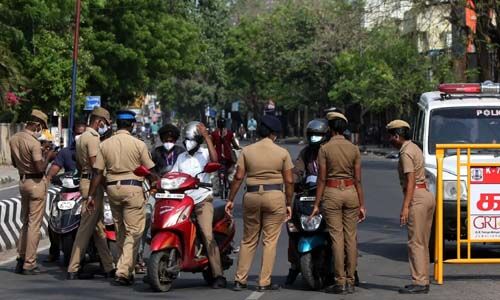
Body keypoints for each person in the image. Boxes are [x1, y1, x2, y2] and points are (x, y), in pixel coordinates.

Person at [87, 110, 156, 286]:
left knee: (120, 231)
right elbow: (150, 170)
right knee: (134, 231)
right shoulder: (138, 144)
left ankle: (126, 267)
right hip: (132, 188)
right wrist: (157, 182)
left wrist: (90, 196)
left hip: (112, 189)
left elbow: (97, 172)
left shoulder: (105, 144)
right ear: (132, 125)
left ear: (117, 124)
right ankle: (123, 272)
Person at [225, 115, 294, 292]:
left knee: (248, 239)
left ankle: (240, 279)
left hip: (252, 196)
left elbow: (238, 177)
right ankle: (264, 282)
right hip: (274, 195)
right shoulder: (282, 153)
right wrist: (288, 203)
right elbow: (289, 181)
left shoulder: (248, 151)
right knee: (270, 241)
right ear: (274, 134)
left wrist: (230, 200)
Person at [310, 112, 366, 294]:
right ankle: (351, 280)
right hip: (351, 192)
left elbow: (321, 179)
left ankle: (339, 281)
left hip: (332, 193)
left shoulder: (325, 149)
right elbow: (358, 180)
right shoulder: (354, 149)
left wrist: (317, 203)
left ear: (331, 129)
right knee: (351, 237)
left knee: (337, 238)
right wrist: (362, 204)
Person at [170, 121, 227, 289]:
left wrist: (207, 136)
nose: (187, 142)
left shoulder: (205, 153)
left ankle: (218, 275)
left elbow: (216, 160)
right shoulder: (181, 157)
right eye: (185, 139)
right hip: (183, 201)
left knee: (207, 235)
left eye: (191, 139)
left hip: (202, 200)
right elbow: (172, 174)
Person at [386, 120, 435, 294]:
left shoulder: (406, 152)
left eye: (391, 136)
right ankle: (423, 279)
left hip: (417, 197)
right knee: (422, 241)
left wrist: (405, 207)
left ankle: (419, 282)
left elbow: (410, 180)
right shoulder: (415, 148)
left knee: (415, 242)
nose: (390, 140)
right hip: (427, 195)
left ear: (397, 136)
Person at [66, 108, 115, 280]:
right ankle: (73, 267)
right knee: (86, 228)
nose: (105, 127)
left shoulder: (82, 138)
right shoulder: (93, 138)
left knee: (98, 228)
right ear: (99, 121)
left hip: (85, 181)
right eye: (105, 123)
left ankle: (109, 267)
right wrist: (107, 186)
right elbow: (97, 168)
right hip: (93, 185)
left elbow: (80, 164)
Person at [136, 123, 185, 274]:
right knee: (145, 215)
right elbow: (149, 171)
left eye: (171, 137)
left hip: (181, 193)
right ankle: (138, 255)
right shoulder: (155, 153)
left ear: (176, 139)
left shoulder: (181, 153)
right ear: (161, 138)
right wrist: (153, 183)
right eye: (166, 137)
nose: (168, 140)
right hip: (158, 193)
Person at [10, 109, 54, 275]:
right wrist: (48, 155)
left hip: (23, 181)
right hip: (36, 183)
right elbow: (40, 167)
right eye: (41, 127)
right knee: (34, 225)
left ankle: (20, 259)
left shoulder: (14, 138)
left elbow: (15, 163)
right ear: (36, 125)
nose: (40, 130)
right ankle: (30, 263)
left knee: (25, 222)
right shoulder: (34, 142)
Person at [286, 118, 329, 285]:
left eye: (318, 135)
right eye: (312, 135)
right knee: (293, 227)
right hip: (307, 194)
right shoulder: (305, 153)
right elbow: (297, 170)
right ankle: (294, 265)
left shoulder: (330, 151)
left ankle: (349, 269)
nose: (314, 138)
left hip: (328, 195)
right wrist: (294, 180)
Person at [45, 122, 86, 263]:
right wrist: (49, 178)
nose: (80, 136)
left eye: (83, 133)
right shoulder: (65, 152)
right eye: (78, 133)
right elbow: (55, 168)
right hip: (68, 191)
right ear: (73, 134)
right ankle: (54, 250)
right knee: (53, 215)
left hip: (86, 191)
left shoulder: (93, 151)